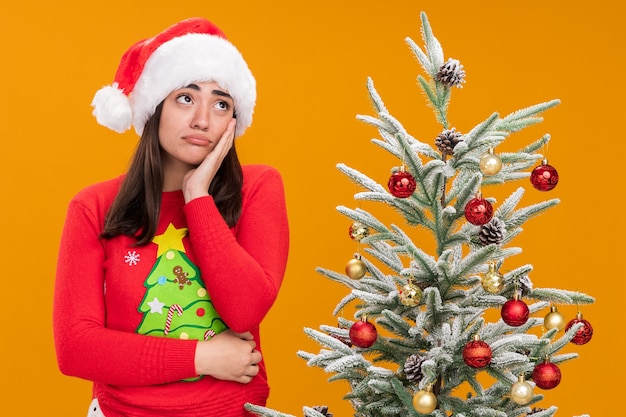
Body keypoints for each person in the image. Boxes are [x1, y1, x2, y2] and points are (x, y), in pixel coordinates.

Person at [53, 17, 289, 417]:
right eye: (185, 97)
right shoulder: (93, 206)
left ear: (233, 121)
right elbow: (76, 349)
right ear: (155, 107)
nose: (202, 119)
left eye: (221, 103)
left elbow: (245, 311)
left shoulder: (257, 187)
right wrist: (203, 358)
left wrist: (197, 198)